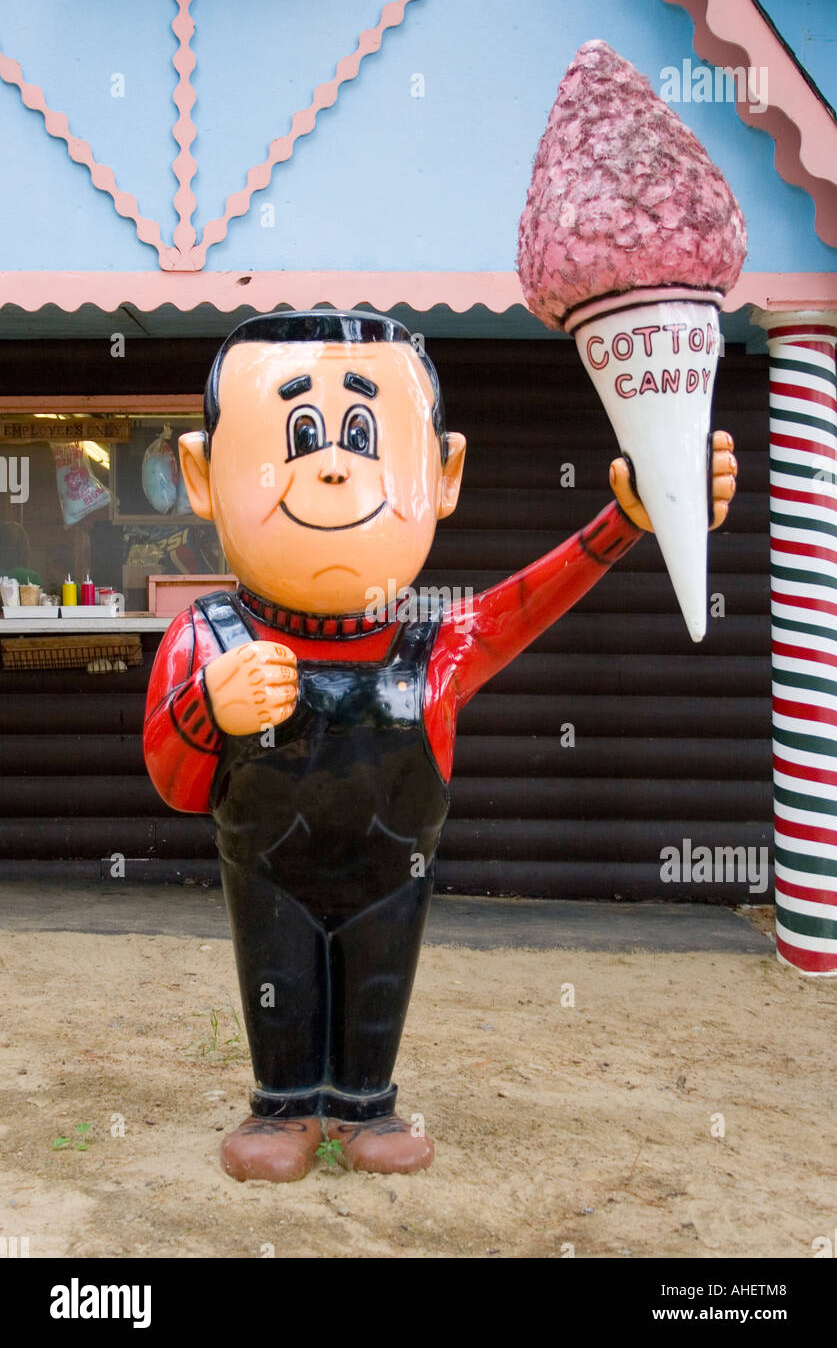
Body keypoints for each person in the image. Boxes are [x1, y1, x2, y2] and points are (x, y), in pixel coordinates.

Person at [143, 309, 736, 1181]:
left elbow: (528, 601)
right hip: (267, 872)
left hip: (394, 877)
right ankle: (282, 1104)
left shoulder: (439, 646)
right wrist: (209, 709)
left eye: (361, 433)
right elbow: (176, 783)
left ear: (444, 472)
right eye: (298, 435)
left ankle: (363, 1103)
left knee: (381, 979)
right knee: (279, 977)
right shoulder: (210, 636)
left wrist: (624, 521)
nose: (336, 466)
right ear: (202, 474)